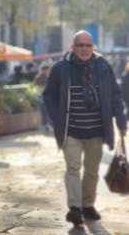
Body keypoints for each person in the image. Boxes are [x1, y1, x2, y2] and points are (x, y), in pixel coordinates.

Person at [43, 30, 127, 227]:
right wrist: (57, 118)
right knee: (73, 168)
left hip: (96, 131)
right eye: (80, 45)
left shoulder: (103, 66)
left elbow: (115, 95)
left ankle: (88, 205)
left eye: (88, 45)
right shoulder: (61, 68)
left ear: (93, 47)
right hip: (70, 130)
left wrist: (121, 121)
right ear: (72, 47)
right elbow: (48, 95)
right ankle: (75, 209)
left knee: (92, 170)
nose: (84, 49)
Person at [34, 63, 52, 133]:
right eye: (45, 70)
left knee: (48, 111)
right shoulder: (39, 77)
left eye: (48, 69)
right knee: (44, 111)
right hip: (42, 97)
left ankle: (47, 125)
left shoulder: (50, 77)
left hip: (49, 97)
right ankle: (46, 125)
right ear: (43, 70)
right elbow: (36, 87)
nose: (47, 71)